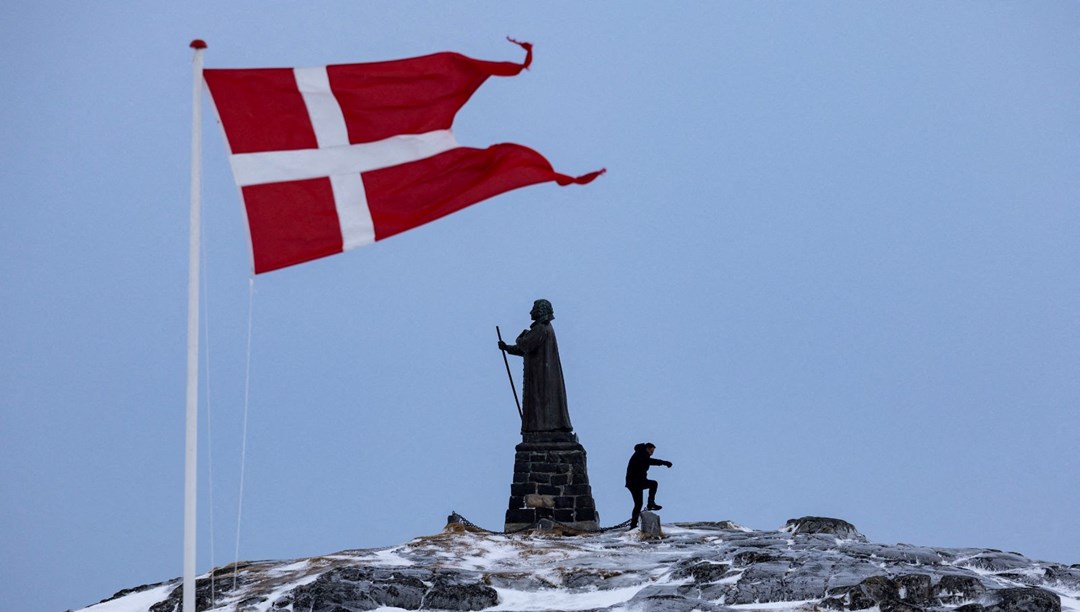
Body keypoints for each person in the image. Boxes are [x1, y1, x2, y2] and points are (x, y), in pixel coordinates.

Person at [498, 299, 573, 433]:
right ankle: (542, 426)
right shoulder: (544, 328)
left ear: (540, 311)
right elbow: (527, 349)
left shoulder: (541, 328)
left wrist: (520, 337)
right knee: (541, 402)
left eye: (533, 309)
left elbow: (525, 344)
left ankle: (544, 427)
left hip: (542, 375)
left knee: (542, 401)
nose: (531, 312)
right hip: (542, 373)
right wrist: (507, 348)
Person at [625, 442, 672, 528]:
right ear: (647, 448)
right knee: (653, 484)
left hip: (637, 482)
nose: (652, 452)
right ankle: (650, 504)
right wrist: (664, 462)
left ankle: (633, 524)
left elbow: (648, 461)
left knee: (639, 503)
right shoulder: (640, 454)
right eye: (651, 450)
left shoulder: (642, 454)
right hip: (635, 482)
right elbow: (650, 461)